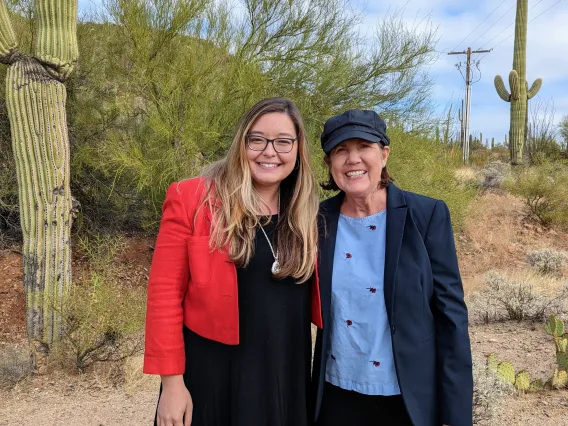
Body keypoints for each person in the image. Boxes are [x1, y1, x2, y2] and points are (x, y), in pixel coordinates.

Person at [144, 97, 323, 426]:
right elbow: (164, 296)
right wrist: (172, 385)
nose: (269, 151)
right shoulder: (193, 199)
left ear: (298, 150)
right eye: (257, 139)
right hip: (211, 378)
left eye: (284, 141)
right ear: (241, 143)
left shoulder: (308, 213)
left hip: (284, 376)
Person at [311, 109, 473, 426]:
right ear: (330, 164)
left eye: (363, 147)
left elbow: (451, 318)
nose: (352, 159)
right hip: (336, 395)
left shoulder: (426, 215)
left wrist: (457, 416)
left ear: (384, 154)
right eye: (340, 150)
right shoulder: (317, 220)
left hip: (407, 399)